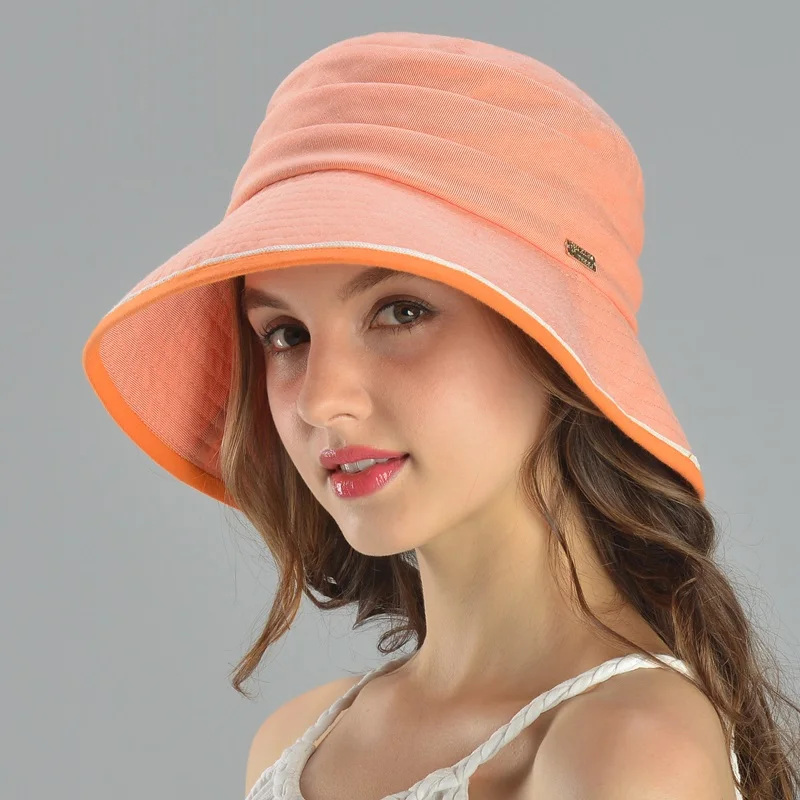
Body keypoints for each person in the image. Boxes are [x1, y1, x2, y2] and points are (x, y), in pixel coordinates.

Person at [82, 31, 799, 800]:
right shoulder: (296, 743)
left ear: (553, 344)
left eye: (400, 311)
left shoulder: (626, 752)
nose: (321, 399)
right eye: (286, 334)